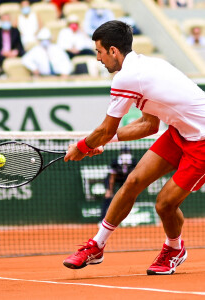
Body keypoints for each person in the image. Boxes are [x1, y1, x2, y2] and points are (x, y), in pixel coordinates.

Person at [63, 20, 205, 275]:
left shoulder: (127, 78)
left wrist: (83, 146)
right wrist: (106, 143)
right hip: (179, 132)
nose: (98, 59)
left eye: (99, 52)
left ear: (113, 51)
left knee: (164, 204)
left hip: (203, 140)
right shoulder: (147, 65)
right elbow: (149, 126)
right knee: (132, 181)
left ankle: (174, 248)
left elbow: (106, 129)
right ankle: (96, 246)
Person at [100, 147, 137, 221]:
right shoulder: (115, 162)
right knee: (108, 197)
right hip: (115, 179)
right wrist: (109, 190)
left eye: (127, 153)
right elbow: (112, 177)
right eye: (124, 153)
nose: (126, 155)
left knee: (128, 197)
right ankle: (102, 219)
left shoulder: (133, 162)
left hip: (126, 179)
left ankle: (126, 218)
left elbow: (134, 175)